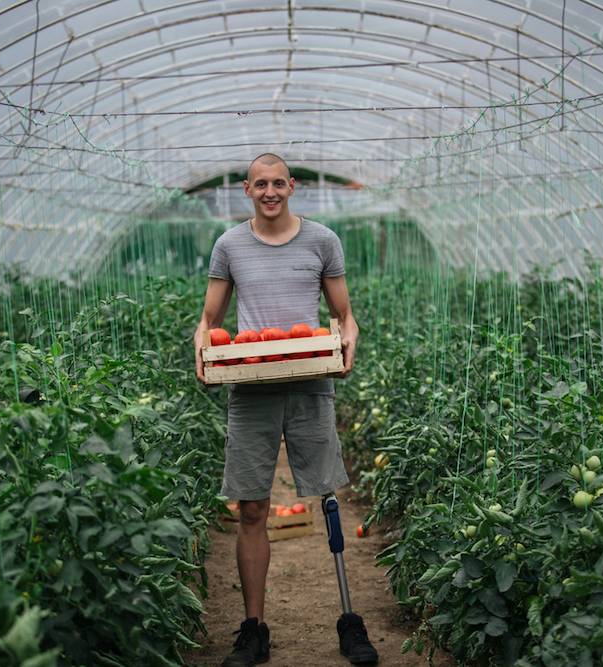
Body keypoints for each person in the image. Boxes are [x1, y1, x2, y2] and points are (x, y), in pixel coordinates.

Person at [194, 153, 379, 666]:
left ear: (292, 187)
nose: (270, 191)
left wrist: (348, 342)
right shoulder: (229, 244)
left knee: (327, 495)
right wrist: (201, 348)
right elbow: (209, 317)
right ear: (246, 189)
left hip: (310, 382)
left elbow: (345, 316)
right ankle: (253, 629)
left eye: (279, 183)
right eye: (261, 184)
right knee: (251, 507)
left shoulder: (322, 240)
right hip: (250, 385)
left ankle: (349, 620)